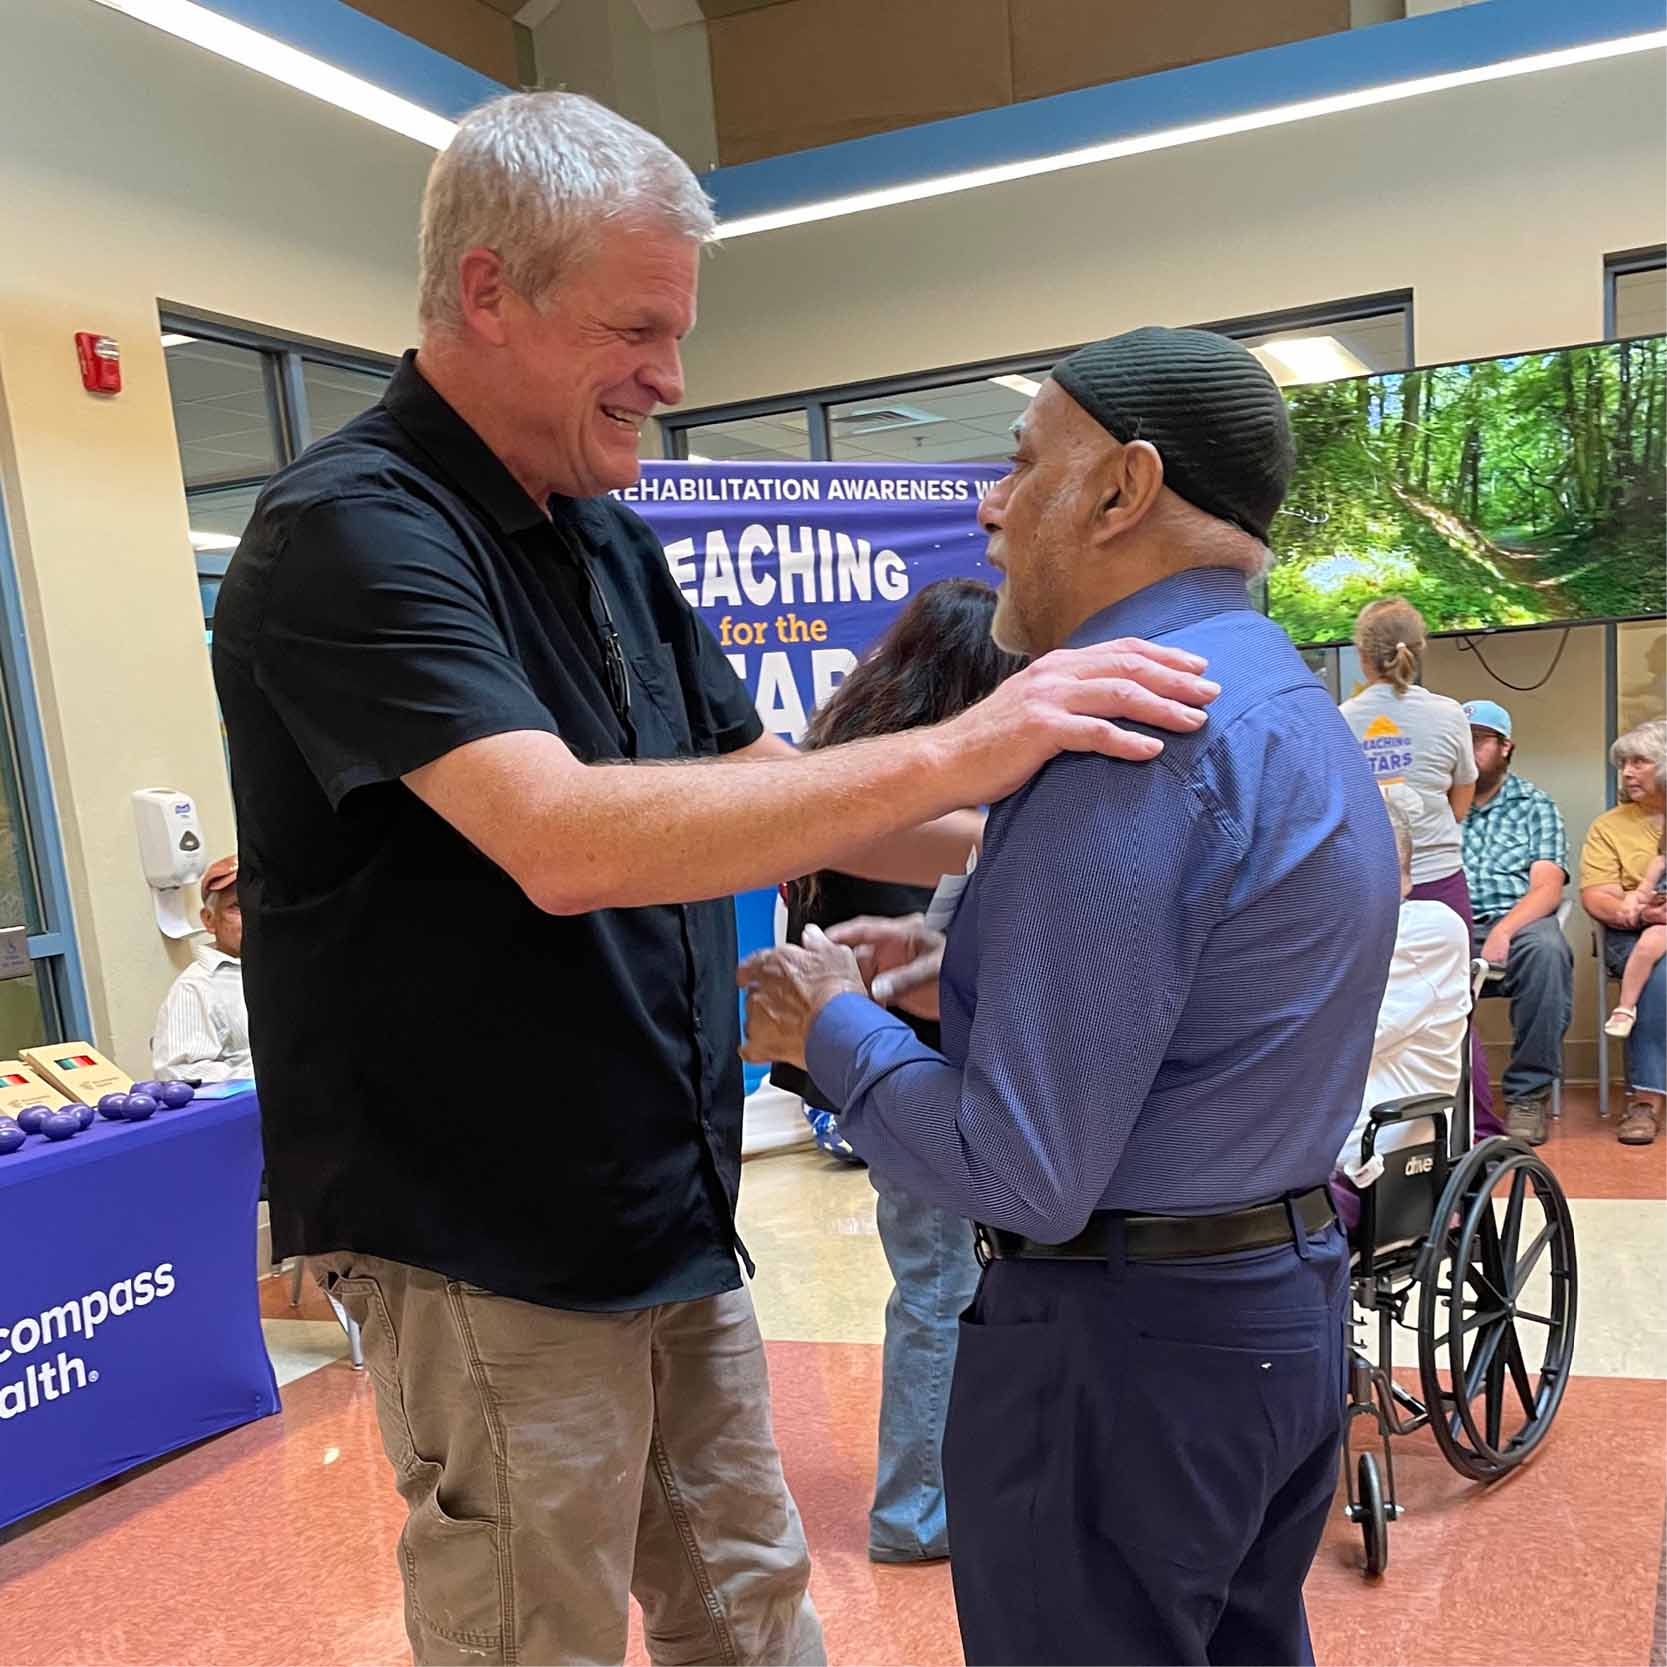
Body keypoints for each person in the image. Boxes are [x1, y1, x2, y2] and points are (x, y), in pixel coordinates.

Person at [209, 94, 1219, 1667]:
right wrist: (968, 747)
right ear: (488, 291)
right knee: (526, 1631)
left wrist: (1061, 843)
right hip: (490, 1237)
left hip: (663, 1206)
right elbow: (560, 837)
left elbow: (764, 789)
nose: (670, 380)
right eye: (636, 328)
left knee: (746, 1597)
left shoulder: (596, 531)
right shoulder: (348, 532)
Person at [739, 326, 1399, 1667]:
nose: (984, 504)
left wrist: (830, 1026)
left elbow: (1025, 1169)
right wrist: (958, 992)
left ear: (1120, 490)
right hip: (1269, 1308)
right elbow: (1202, 1009)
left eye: (1020, 462)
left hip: (1118, 1357)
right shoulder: (1285, 699)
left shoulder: (1116, 737)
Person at [773, 578, 1023, 1567]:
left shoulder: (849, 756)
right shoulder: (903, 791)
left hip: (856, 1065)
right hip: (908, 1065)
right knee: (939, 1282)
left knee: (939, 1278)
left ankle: (938, 1488)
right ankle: (917, 1510)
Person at [1340, 598, 1496, 1136]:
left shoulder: (1343, 719)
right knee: (1453, 1007)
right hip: (1438, 876)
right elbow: (1462, 794)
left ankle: (1375, 1131)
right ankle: (1477, 1130)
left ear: (1363, 656)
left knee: (1370, 1004)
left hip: (1371, 879)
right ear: (1420, 649)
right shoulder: (1449, 714)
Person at [1332, 787, 1470, 1230]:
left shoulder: (1428, 928)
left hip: (1372, 1159)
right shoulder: (1315, 934)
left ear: (1404, 876)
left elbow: (1339, 1041)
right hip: (1291, 1149)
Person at [1457, 698, 1573, 1146]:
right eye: (1461, 741)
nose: (1468, 750)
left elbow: (1547, 887)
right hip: (1450, 924)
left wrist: (1505, 929)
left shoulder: (1534, 804)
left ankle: (1527, 1095)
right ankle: (1434, 1093)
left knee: (1546, 950)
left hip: (1515, 921)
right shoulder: (1438, 802)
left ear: (1506, 747)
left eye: (1479, 741)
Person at [1580, 719, 1667, 1147]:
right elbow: (1598, 898)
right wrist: (1641, 913)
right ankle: (1646, 1101)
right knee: (1660, 970)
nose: (1628, 773)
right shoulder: (1609, 826)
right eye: (1623, 764)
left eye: (1639, 762)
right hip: (1633, 933)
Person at [150, 854, 252, 1083]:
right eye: (237, 906)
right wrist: (266, 1078)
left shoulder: (289, 970)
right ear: (209, 920)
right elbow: (177, 1073)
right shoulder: (196, 987)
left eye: (258, 903)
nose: (252, 915)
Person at [1606, 849, 1665, 1037]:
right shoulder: (1661, 862)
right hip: (1664, 922)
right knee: (1647, 945)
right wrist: (1633, 900)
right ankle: (1625, 1007)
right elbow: (1642, 893)